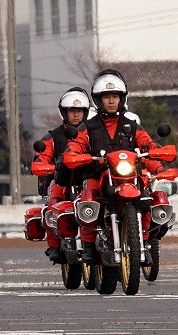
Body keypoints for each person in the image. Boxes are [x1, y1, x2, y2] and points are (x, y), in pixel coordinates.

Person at [63, 69, 162, 264]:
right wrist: (74, 154)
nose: (111, 101)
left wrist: (158, 162)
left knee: (146, 197)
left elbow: (148, 145)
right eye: (106, 96)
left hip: (127, 176)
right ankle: (89, 246)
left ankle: (145, 242)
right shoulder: (88, 127)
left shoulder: (132, 125)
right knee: (88, 196)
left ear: (122, 99)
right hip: (98, 174)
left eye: (115, 96)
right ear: (98, 100)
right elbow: (74, 146)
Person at [31, 86, 91, 262]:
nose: (76, 115)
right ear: (64, 113)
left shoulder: (92, 131)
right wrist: (43, 165)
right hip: (62, 179)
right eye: (72, 111)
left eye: (80, 111)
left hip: (86, 178)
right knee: (53, 199)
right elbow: (41, 156)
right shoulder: (53, 137)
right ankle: (54, 245)